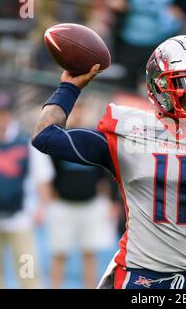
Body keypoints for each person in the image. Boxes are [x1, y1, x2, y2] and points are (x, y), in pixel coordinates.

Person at [32, 35, 186, 289]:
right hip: (138, 278)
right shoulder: (128, 130)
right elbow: (45, 136)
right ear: (160, 86)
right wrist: (69, 88)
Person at [0, 94, 54, 288]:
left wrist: (42, 209)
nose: (0, 118)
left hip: (20, 221)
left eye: (4, 114)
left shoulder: (26, 143)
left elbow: (43, 179)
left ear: (10, 115)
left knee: (28, 275)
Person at [47, 101, 117, 288]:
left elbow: (104, 174)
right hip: (63, 204)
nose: (77, 114)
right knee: (59, 253)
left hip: (90, 205)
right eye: (73, 110)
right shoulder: (59, 140)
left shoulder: (92, 140)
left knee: (89, 253)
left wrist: (110, 202)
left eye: (80, 110)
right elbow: (48, 173)